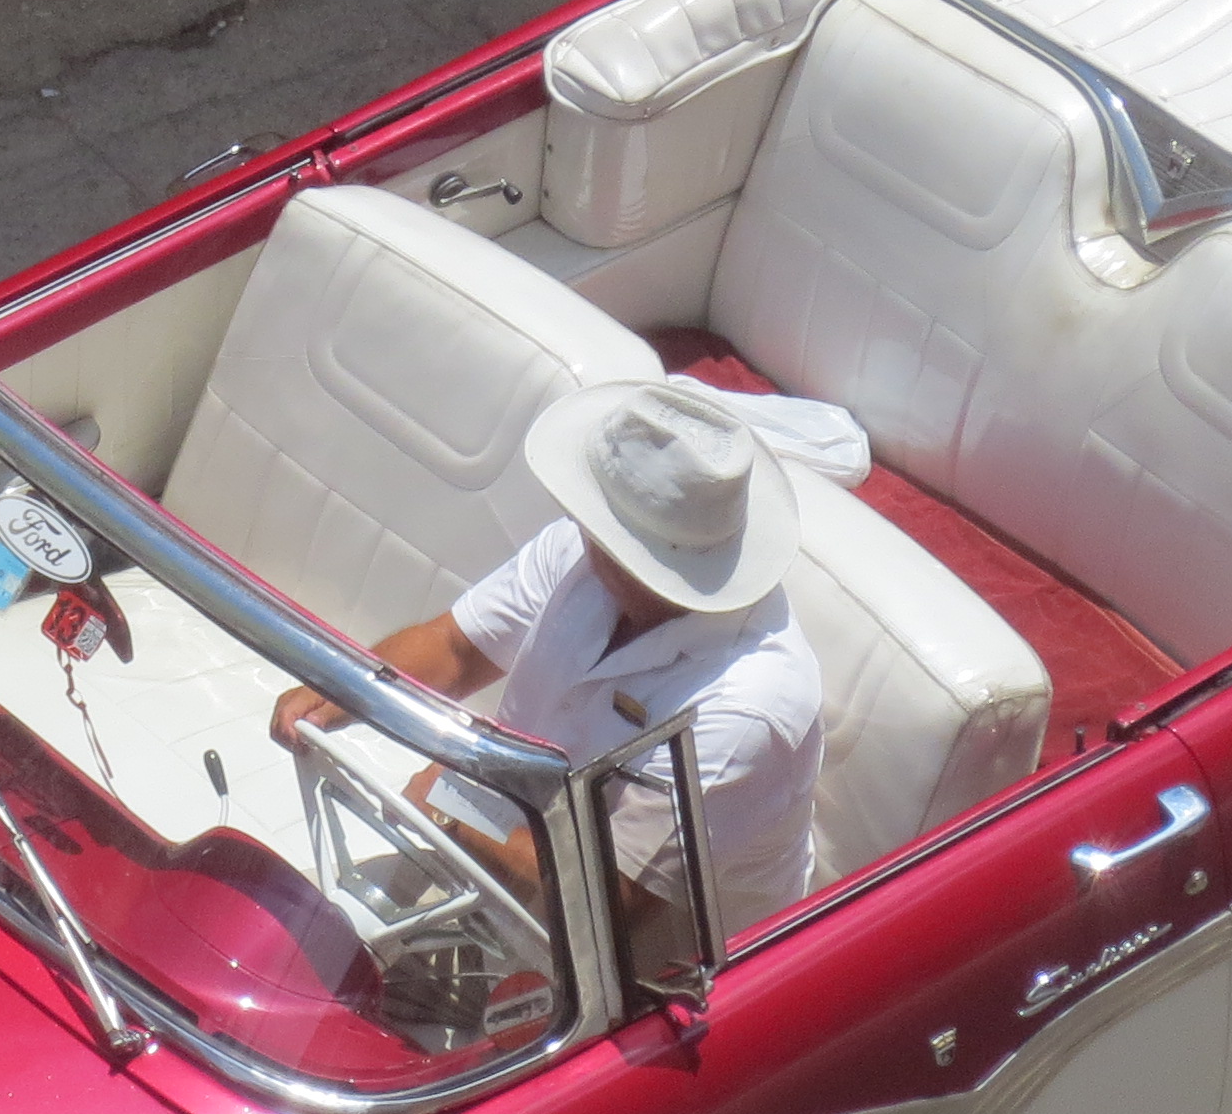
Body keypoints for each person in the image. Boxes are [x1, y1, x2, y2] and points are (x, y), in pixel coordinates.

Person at [269, 380, 826, 950]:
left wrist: (452, 815)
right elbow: (456, 649)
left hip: (652, 961)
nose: (582, 527)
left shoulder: (751, 710)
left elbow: (613, 898)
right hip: (503, 855)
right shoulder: (583, 550)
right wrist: (348, 687)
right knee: (293, 930)